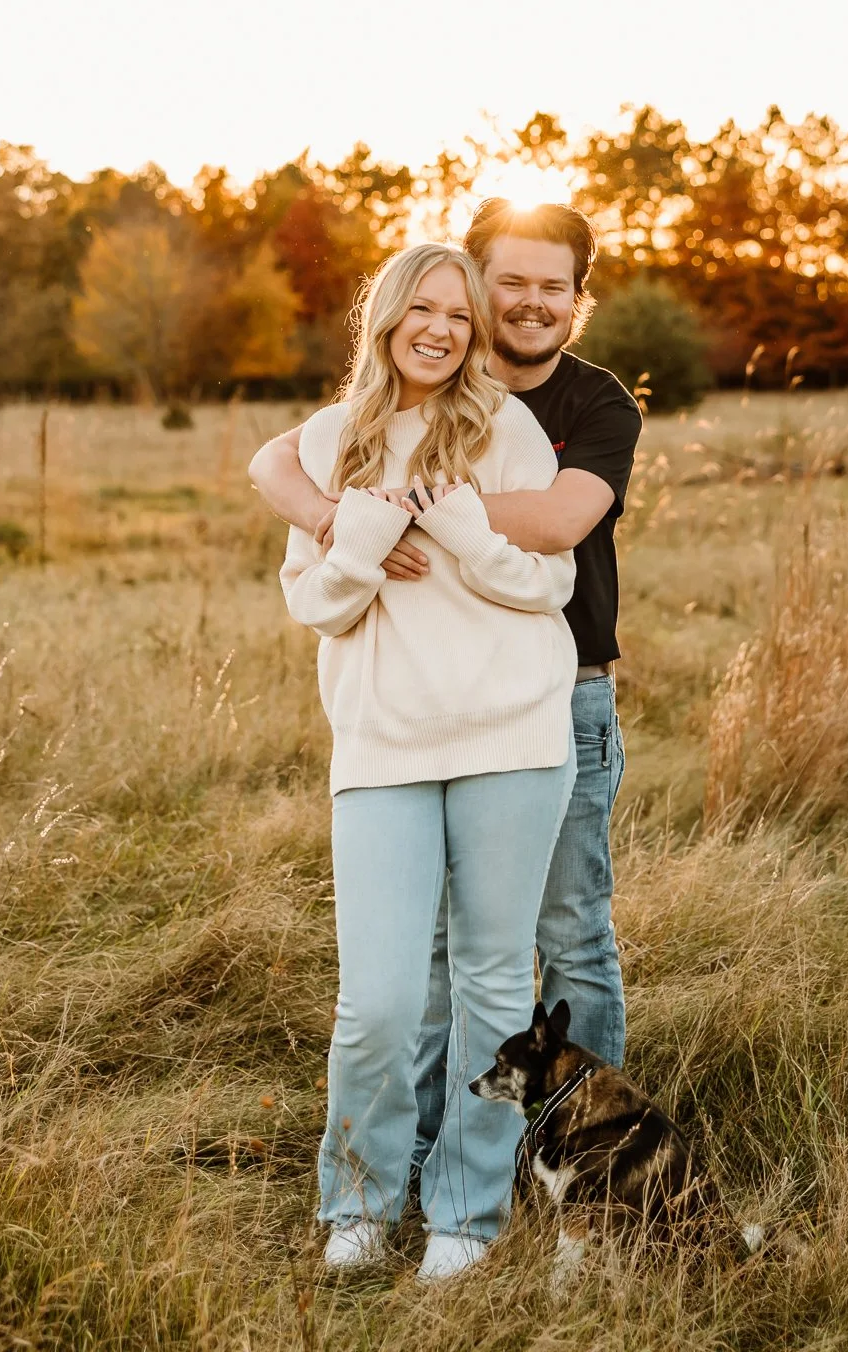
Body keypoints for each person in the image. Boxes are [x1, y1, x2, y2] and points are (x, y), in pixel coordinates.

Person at [251, 202, 642, 1128]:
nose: (530, 302)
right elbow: (276, 458)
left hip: (560, 695)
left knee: (567, 933)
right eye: (509, 282)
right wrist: (336, 516)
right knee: (430, 954)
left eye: (554, 286)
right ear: (468, 283)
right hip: (416, 710)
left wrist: (401, 504)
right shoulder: (396, 391)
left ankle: (582, 1141)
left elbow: (552, 524)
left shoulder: (591, 404)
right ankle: (436, 1141)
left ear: (578, 301)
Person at [277, 241, 578, 1282]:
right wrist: (357, 535)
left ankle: (467, 1207)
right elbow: (314, 600)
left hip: (512, 739)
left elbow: (549, 584)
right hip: (382, 747)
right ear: (389, 315)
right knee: (379, 998)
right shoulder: (330, 438)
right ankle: (358, 1197)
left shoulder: (507, 428)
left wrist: (459, 526)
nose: (443, 328)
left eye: (461, 313)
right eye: (426, 308)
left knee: (495, 989)